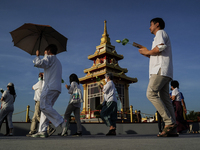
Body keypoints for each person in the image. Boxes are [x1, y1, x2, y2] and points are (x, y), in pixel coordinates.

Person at [138, 18, 177, 137]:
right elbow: (156, 53)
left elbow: (159, 48)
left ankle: (169, 122)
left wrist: (147, 51)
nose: (149, 27)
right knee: (165, 98)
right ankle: (173, 128)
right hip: (165, 71)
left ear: (157, 24)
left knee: (151, 93)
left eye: (150, 25)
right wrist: (146, 52)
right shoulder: (159, 36)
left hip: (159, 70)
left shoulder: (160, 33)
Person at [32, 44, 66, 138]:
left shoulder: (50, 58)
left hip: (50, 87)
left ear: (48, 51)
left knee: (43, 106)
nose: (44, 54)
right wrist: (45, 73)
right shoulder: (57, 61)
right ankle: (42, 130)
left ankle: (62, 122)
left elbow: (39, 63)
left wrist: (37, 56)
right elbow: (51, 71)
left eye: (45, 52)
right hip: (56, 88)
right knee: (46, 109)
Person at [26, 73, 55, 137]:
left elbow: (32, 87)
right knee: (34, 118)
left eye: (40, 75)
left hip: (38, 101)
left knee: (38, 115)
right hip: (41, 101)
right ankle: (32, 131)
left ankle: (49, 128)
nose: (39, 77)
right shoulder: (45, 84)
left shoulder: (39, 83)